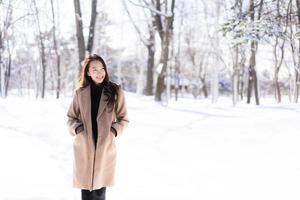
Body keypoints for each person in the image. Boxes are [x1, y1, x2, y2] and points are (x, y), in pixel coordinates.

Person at [66, 54, 129, 200]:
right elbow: (71, 118)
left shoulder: (115, 91)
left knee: (100, 192)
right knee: (86, 193)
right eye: (94, 69)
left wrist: (113, 131)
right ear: (87, 72)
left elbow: (123, 119)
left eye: (102, 69)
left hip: (104, 147)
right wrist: (78, 129)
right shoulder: (80, 93)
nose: (99, 73)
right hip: (84, 147)